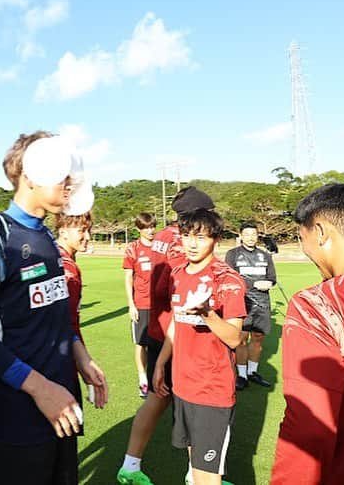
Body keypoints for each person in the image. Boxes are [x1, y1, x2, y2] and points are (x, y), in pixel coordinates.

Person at [0, 132, 104, 485]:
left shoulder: (50, 239)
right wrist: (40, 388)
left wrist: (81, 358)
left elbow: (56, 313)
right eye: (63, 176)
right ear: (32, 174)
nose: (70, 186)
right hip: (15, 417)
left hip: (63, 405)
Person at [117, 186, 215, 485]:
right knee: (190, 404)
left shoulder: (161, 237)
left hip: (161, 326)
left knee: (158, 399)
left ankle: (131, 466)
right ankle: (195, 474)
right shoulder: (181, 241)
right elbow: (182, 286)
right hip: (177, 331)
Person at [271, 184, 344, 484]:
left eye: (301, 237)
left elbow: (311, 426)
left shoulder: (322, 305)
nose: (304, 249)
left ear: (321, 232)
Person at [153, 209, 246, 485]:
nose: (191, 244)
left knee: (208, 475)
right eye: (187, 236)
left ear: (215, 239)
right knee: (194, 470)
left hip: (212, 390)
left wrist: (207, 313)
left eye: (200, 237)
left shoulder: (227, 280)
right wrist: (160, 363)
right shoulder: (178, 274)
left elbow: (235, 338)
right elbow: (175, 324)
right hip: (183, 384)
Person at [55, 211, 108, 408]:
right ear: (63, 231)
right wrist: (83, 363)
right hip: (59, 364)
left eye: (89, 230)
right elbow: (67, 325)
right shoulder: (67, 269)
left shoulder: (51, 256)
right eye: (82, 231)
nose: (88, 237)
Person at [225, 222, 277, 390]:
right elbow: (229, 277)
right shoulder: (232, 254)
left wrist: (268, 283)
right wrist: (252, 285)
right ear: (240, 236)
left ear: (257, 236)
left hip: (262, 302)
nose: (250, 238)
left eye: (253, 234)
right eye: (247, 234)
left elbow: (272, 278)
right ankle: (241, 374)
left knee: (257, 338)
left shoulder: (265, 255)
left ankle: (252, 372)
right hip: (242, 302)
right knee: (241, 339)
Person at [123, 212, 156, 398]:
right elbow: (128, 277)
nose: (150, 231)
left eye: (152, 226)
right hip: (141, 304)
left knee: (159, 343)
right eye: (146, 227)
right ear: (139, 229)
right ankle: (143, 379)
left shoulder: (161, 247)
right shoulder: (133, 248)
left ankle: (157, 376)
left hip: (161, 306)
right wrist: (131, 304)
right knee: (140, 343)